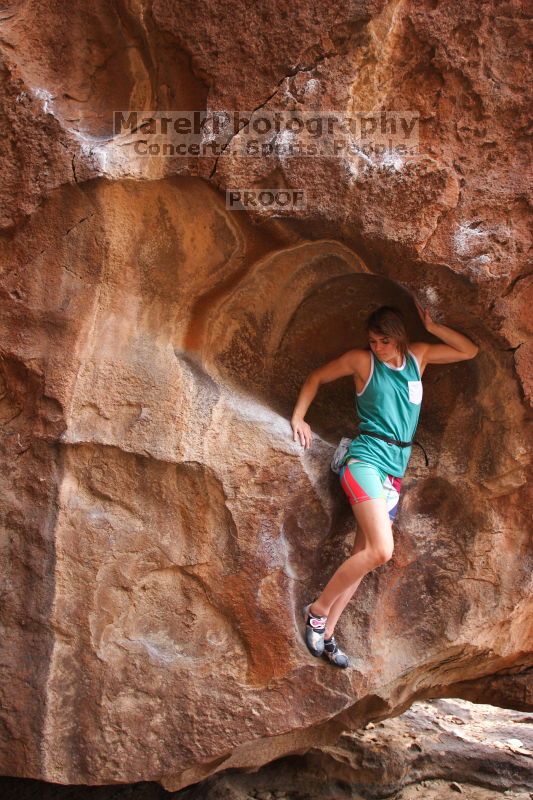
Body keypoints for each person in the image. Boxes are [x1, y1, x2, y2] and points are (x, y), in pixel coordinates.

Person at [290, 302, 479, 668]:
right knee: (381, 550)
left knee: (364, 557)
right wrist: (300, 418)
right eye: (373, 340)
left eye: (384, 341)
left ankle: (328, 633)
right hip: (364, 462)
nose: (377, 347)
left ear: (400, 339)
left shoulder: (418, 358)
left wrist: (433, 325)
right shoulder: (363, 362)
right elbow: (316, 377)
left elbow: (469, 351)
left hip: (394, 471)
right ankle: (316, 612)